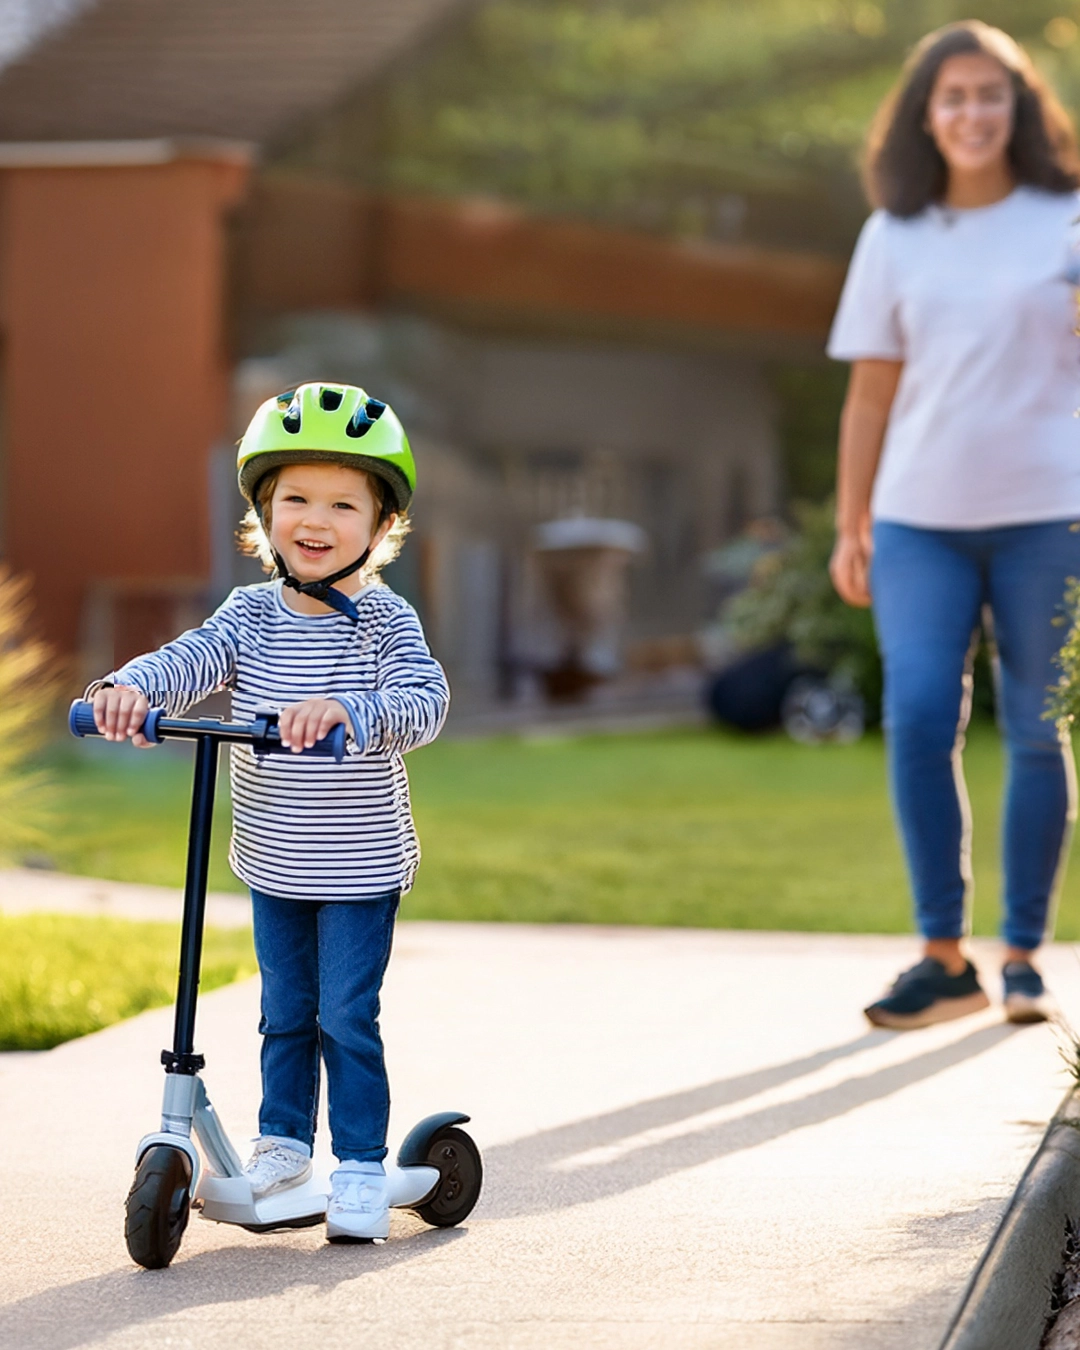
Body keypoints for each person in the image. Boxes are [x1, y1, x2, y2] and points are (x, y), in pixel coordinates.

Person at [89, 383, 449, 1239]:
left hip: (359, 867)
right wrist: (132, 685)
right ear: (263, 510)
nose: (314, 519)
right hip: (276, 860)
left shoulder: (384, 626)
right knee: (283, 1010)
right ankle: (284, 1143)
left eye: (341, 502)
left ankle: (361, 1163)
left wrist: (351, 712)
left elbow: (424, 701)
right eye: (295, 498)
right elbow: (194, 656)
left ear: (380, 523)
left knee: (343, 1017)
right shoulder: (249, 615)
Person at [827, 21, 1080, 1030]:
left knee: (1033, 729)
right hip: (918, 522)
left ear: (1017, 108)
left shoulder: (1066, 217)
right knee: (922, 715)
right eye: (953, 96)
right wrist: (853, 521)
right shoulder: (894, 233)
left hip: (1048, 518)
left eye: (991, 94)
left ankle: (1020, 955)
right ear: (925, 116)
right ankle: (944, 958)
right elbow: (869, 396)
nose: (973, 112)